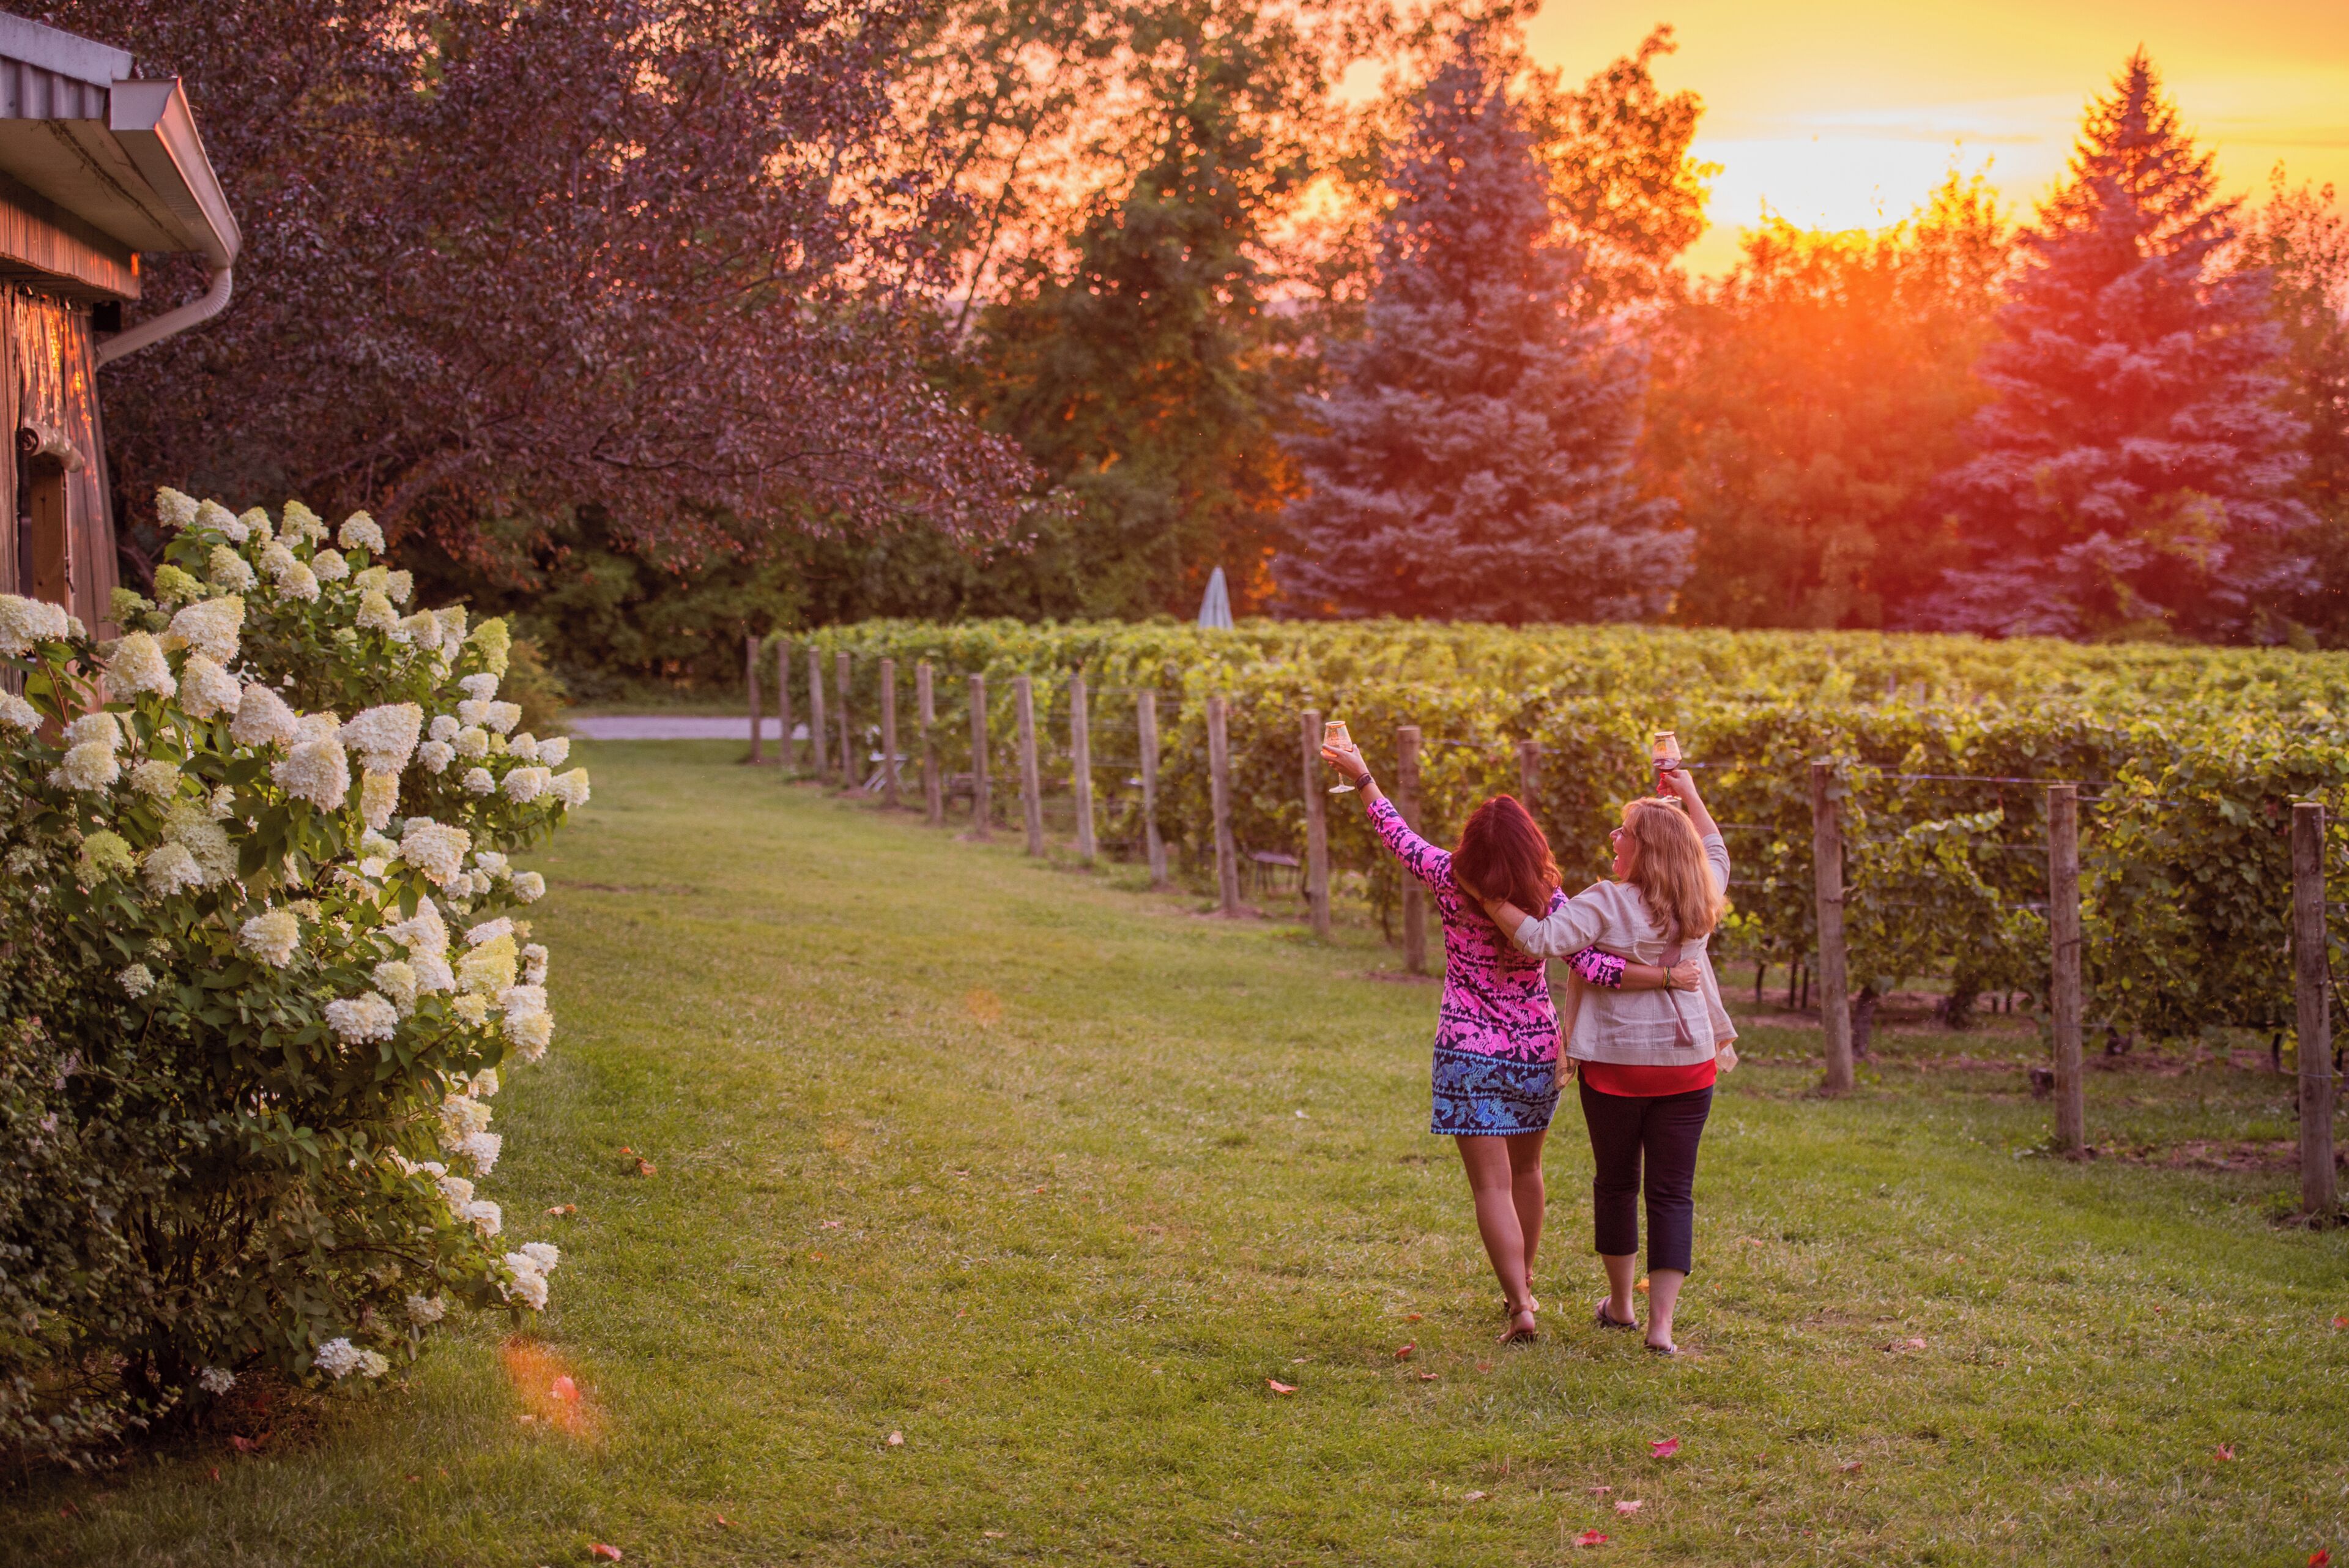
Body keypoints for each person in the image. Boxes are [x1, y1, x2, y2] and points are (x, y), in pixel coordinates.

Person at [1318, 737, 1699, 1343]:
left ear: (1471, 844)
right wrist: (1663, 977)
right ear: (1531, 846)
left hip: (1467, 1047)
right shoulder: (1549, 900)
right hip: (1533, 1049)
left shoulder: (1449, 874)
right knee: (1528, 1171)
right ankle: (1525, 1279)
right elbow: (1592, 967)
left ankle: (1521, 1304)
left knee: (1489, 1184)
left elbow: (1397, 834)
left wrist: (1364, 776)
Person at [1475, 766, 1734, 1356]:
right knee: (1674, 1192)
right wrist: (1690, 792)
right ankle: (1661, 1326)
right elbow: (1713, 845)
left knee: (1617, 1183)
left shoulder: (1606, 903)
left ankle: (1621, 1303)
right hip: (1688, 1063)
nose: (1614, 840)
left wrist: (1491, 898)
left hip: (1617, 1068)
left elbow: (1539, 940)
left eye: (1624, 832)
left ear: (1646, 849)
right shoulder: (1704, 892)